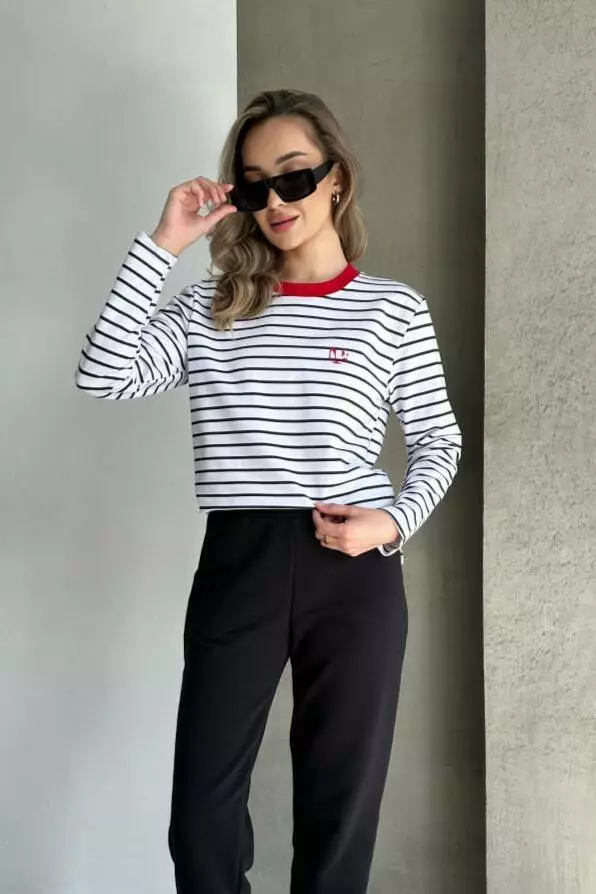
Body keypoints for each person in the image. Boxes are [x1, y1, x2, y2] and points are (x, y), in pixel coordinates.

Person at [75, 88, 462, 894]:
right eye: (255, 186)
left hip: (352, 568)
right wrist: (166, 241)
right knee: (202, 817)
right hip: (240, 555)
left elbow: (439, 440)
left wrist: (391, 523)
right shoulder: (214, 305)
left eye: (293, 176)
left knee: (339, 807)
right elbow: (103, 373)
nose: (276, 201)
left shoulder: (392, 310)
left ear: (335, 179)